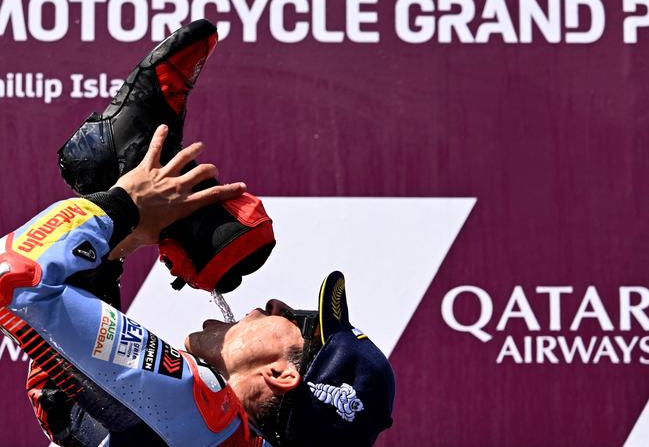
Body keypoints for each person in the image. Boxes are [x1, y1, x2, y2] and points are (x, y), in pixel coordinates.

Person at [0, 125, 395, 446]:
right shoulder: (208, 436)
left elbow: (14, 283)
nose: (275, 303)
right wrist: (118, 246)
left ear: (281, 374)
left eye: (297, 320)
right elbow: (69, 413)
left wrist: (123, 206)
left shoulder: (205, 418)